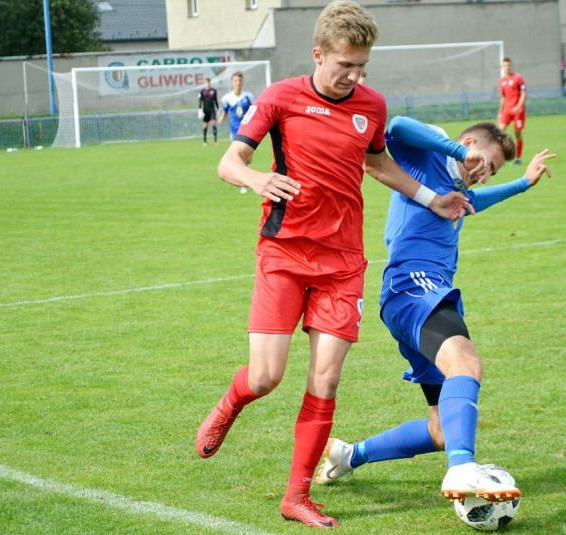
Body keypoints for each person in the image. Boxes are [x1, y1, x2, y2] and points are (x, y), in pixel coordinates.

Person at [195, 1, 475, 529]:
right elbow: (229, 161)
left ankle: (296, 497)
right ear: (318, 54)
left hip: (343, 264)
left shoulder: (372, 105)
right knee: (266, 376)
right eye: (346, 65)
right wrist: (256, 179)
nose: (355, 76)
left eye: (362, 66)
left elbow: (377, 163)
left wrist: (432, 197)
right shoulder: (280, 98)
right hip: (284, 253)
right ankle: (232, 402)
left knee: (325, 379)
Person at [316, 116, 555, 506]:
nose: (483, 174)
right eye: (485, 163)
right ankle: (462, 468)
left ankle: (350, 455)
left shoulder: (457, 192)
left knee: (442, 430)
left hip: (418, 297)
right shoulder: (428, 158)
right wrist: (459, 151)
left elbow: (477, 202)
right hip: (413, 287)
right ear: (468, 144)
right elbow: (397, 127)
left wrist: (523, 183)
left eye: (492, 171)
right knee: (466, 364)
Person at [219, 71, 255, 193]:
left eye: (240, 80)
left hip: (248, 131)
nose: (238, 83)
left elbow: (254, 110)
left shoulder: (248, 97)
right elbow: (225, 110)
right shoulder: (227, 98)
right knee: (239, 157)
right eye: (236, 80)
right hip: (235, 132)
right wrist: (221, 117)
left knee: (248, 159)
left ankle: (245, 176)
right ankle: (244, 184)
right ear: (232, 82)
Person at [497, 58, 526, 164]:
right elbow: (503, 97)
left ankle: (518, 158)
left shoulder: (518, 78)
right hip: (507, 110)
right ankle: (501, 157)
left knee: (517, 133)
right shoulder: (501, 81)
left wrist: (518, 106)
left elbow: (523, 94)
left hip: (518, 111)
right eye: (505, 65)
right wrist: (500, 112)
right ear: (502, 67)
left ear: (511, 66)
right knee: (499, 133)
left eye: (509, 65)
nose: (507, 67)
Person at [198, 78, 219, 146]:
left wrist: (218, 108)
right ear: (205, 84)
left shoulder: (213, 91)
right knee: (205, 125)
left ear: (210, 83)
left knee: (213, 124)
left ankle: (215, 140)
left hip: (212, 110)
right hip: (205, 111)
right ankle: (205, 141)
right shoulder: (202, 91)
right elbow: (200, 101)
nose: (207, 84)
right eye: (206, 83)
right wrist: (200, 109)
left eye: (208, 83)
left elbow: (216, 100)